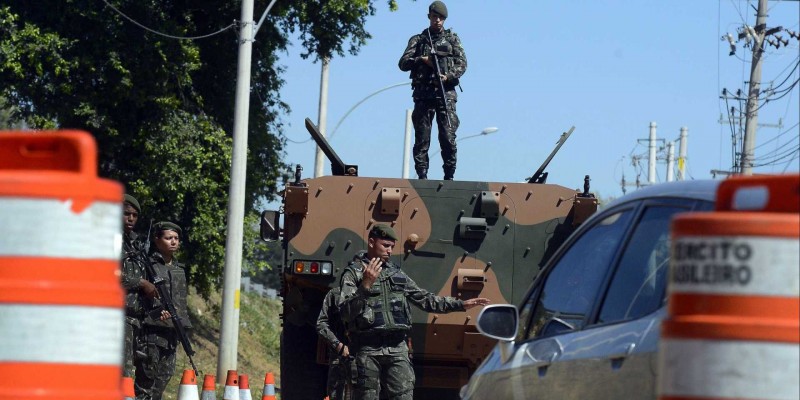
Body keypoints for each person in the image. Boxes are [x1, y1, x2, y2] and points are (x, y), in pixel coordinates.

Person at [338, 224, 490, 400]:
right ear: (371, 242)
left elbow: (425, 299)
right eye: (385, 245)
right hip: (367, 349)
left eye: (392, 247)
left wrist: (461, 304)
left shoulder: (396, 274)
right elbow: (345, 313)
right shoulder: (354, 274)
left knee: (404, 396)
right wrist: (365, 285)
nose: (389, 251)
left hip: (397, 349)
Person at [398, 1, 467, 180]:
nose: (438, 21)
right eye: (435, 17)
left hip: (446, 94)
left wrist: (448, 76)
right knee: (422, 139)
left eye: (441, 18)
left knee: (448, 137)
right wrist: (422, 60)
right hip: (423, 94)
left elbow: (462, 64)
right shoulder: (418, 40)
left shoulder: (452, 39)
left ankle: (449, 175)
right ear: (429, 16)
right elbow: (403, 63)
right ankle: (422, 175)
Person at [134, 222, 192, 400]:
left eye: (176, 238)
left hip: (172, 333)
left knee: (164, 377)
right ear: (157, 240)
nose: (173, 242)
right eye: (168, 238)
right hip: (152, 332)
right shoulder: (148, 265)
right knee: (146, 382)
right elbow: (139, 297)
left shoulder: (179, 270)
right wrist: (156, 312)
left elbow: (181, 303)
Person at [120, 194, 157, 378]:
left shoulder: (136, 244)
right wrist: (141, 283)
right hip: (117, 317)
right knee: (122, 374)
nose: (131, 218)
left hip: (135, 319)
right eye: (127, 213)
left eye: (135, 215)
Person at [316, 287, 351, 400]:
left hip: (366, 356)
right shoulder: (335, 294)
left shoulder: (373, 292)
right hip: (339, 356)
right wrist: (338, 345)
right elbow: (321, 323)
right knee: (335, 395)